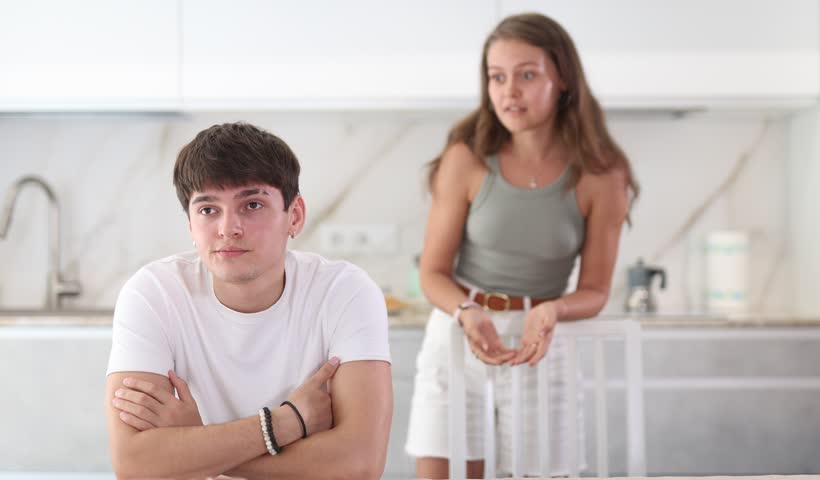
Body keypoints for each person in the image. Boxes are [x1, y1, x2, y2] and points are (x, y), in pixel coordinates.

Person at [404, 13, 639, 479]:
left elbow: (594, 289)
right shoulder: (465, 158)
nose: (509, 91)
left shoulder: (601, 174)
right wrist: (467, 312)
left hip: (540, 342)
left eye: (527, 75)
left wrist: (552, 311)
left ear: (563, 79)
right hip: (460, 332)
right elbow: (432, 272)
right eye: (497, 77)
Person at [104, 122, 393, 479]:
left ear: (295, 215)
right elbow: (134, 464)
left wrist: (195, 443)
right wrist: (286, 423)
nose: (228, 228)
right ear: (191, 225)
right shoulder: (153, 293)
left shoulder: (345, 291)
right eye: (208, 209)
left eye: (252, 205)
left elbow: (360, 466)